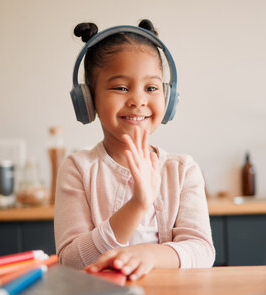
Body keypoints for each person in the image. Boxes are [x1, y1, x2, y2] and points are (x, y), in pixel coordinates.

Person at [55, 19, 215, 280]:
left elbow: (202, 251)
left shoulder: (182, 170)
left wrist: (148, 255)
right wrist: (138, 205)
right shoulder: (77, 168)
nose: (138, 100)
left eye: (151, 88)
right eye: (121, 88)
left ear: (168, 97)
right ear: (89, 100)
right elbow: (71, 261)